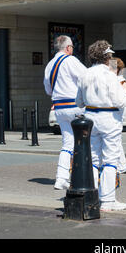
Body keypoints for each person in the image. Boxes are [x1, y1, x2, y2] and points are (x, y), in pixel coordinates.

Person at [76, 40, 126, 212]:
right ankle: (108, 200)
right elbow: (120, 101)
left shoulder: (85, 73)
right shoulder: (109, 74)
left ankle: (90, 195)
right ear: (106, 56)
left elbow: (79, 102)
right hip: (109, 118)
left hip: (91, 116)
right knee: (110, 159)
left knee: (93, 158)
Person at [44, 35, 87, 190]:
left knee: (67, 143)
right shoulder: (71, 60)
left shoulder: (49, 65)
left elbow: (48, 90)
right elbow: (86, 77)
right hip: (76, 106)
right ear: (68, 48)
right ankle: (86, 175)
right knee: (88, 141)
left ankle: (61, 178)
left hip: (59, 107)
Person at [110, 57, 126, 174]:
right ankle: (121, 165)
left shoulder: (119, 80)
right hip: (119, 111)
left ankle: (122, 165)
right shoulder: (121, 80)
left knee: (116, 140)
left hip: (117, 112)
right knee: (116, 139)